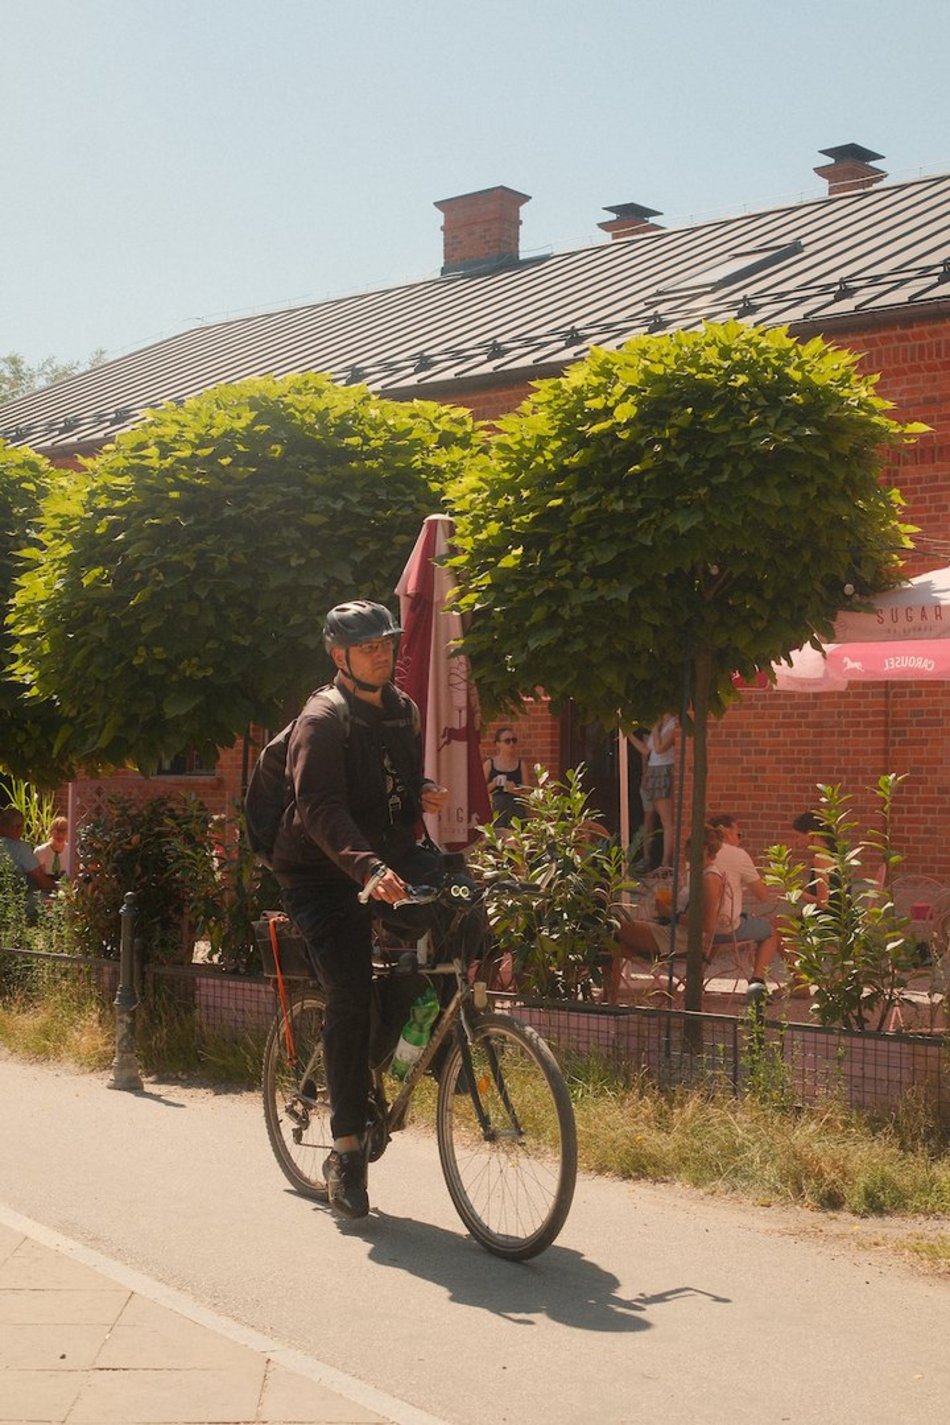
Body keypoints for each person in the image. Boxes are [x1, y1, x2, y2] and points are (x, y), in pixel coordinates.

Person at [270, 600, 449, 1221]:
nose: (384, 652)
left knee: (465, 912)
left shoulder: (404, 711)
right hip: (321, 871)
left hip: (383, 858)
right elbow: (319, 806)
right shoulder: (322, 718)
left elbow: (388, 790)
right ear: (338, 654)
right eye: (370, 645)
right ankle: (345, 1151)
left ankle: (402, 1046)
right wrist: (367, 868)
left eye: (387, 643)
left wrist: (416, 795)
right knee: (347, 991)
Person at [607, 823, 725, 1003]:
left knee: (614, 926)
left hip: (683, 940)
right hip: (672, 931)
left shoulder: (709, 879)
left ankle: (609, 1000)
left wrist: (672, 914)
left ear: (703, 849)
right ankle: (609, 1000)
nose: (685, 850)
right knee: (614, 943)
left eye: (689, 845)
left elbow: (708, 925)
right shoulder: (697, 874)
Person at [707, 813, 780, 1006]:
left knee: (713, 926)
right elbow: (762, 896)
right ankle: (757, 982)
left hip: (699, 927)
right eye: (739, 834)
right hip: (726, 928)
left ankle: (697, 979)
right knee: (770, 931)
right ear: (727, 832)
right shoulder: (738, 855)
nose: (739, 839)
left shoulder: (700, 851)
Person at [628, 715, 677, 868]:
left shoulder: (674, 724)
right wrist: (627, 733)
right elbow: (646, 749)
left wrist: (655, 728)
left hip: (665, 770)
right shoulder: (661, 724)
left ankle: (666, 863)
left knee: (667, 821)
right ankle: (651, 859)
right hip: (653, 770)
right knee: (656, 817)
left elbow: (660, 748)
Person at [0, 806, 58, 918]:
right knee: (52, 899)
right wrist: (60, 888)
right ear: (17, 827)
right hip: (15, 903)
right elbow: (42, 881)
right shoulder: (20, 848)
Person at [482, 726, 530, 829]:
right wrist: (493, 784)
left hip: (516, 810)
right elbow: (479, 792)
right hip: (496, 809)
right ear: (498, 744)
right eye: (507, 741)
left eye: (514, 740)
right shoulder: (489, 764)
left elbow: (528, 793)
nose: (511, 744)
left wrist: (515, 790)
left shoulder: (521, 764)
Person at [34, 816, 69, 883]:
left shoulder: (71, 851)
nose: (60, 835)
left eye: (64, 832)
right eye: (57, 831)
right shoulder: (40, 851)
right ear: (51, 831)